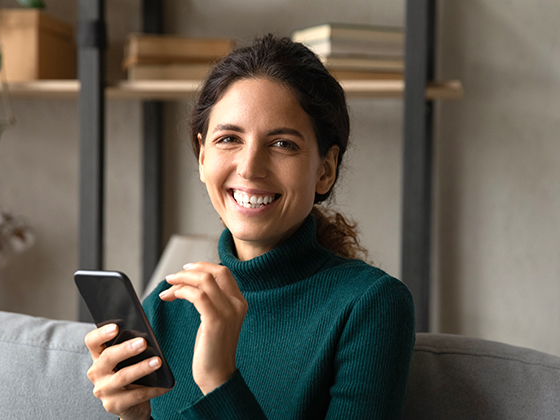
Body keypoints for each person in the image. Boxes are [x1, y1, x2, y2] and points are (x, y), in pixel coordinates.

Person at [84, 34, 415, 419]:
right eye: (229, 139)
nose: (249, 167)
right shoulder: (165, 306)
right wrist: (134, 418)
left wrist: (219, 379)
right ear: (203, 157)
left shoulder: (371, 305)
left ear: (325, 170)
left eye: (283, 144)